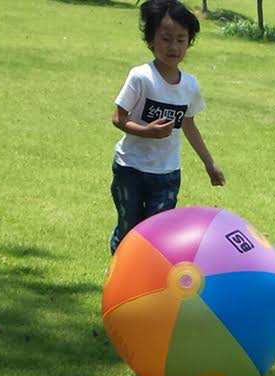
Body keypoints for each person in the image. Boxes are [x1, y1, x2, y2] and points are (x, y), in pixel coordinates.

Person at [109, 0, 225, 254]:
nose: (173, 46)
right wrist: (147, 131)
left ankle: (145, 287)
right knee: (130, 231)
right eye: (166, 38)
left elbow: (189, 124)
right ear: (151, 40)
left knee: (156, 237)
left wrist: (209, 163)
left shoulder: (190, 86)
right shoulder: (141, 77)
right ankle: (119, 275)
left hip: (167, 174)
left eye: (181, 40)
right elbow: (118, 117)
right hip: (131, 168)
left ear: (189, 43)